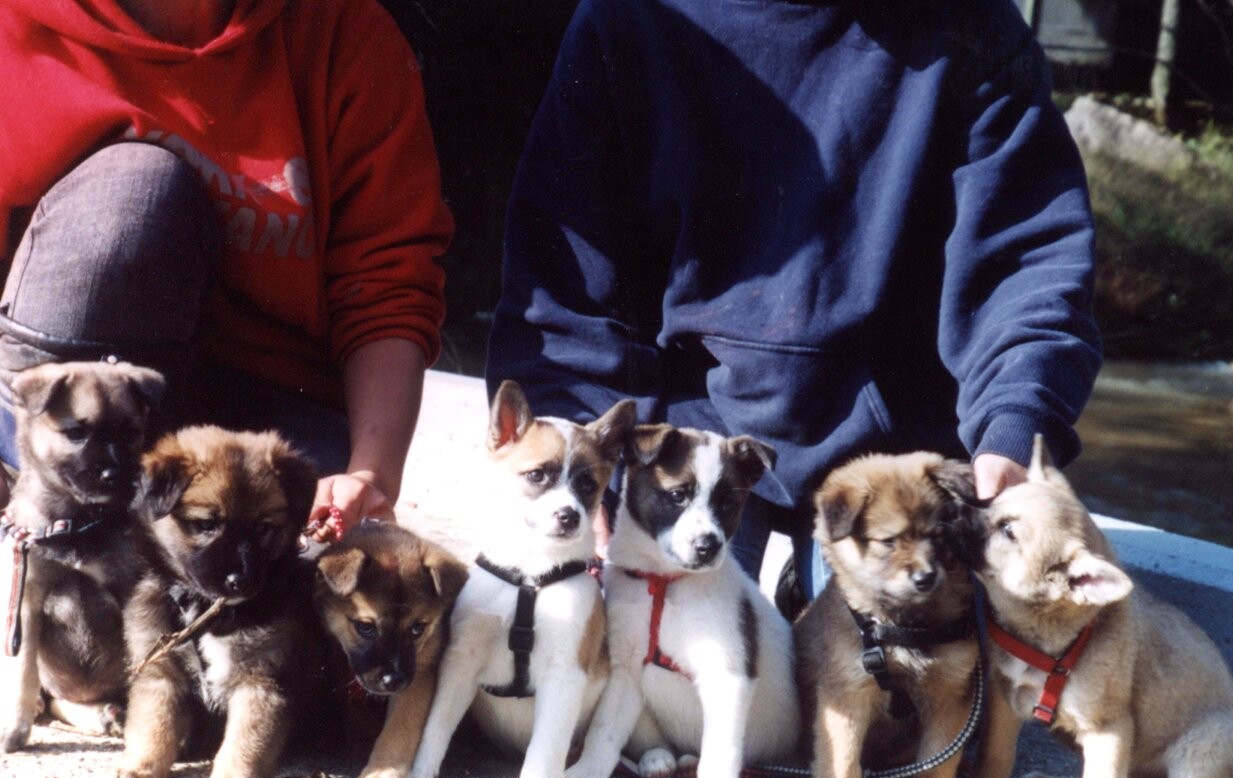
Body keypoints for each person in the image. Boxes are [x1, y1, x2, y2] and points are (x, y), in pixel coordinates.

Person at [486, 0, 1102, 594]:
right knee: (637, 677)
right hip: (689, 445)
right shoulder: (631, 15)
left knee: (902, 681)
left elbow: (1026, 257)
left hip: (901, 460)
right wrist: (586, 471)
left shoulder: (972, 22)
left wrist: (1015, 426)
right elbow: (562, 279)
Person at [0, 0, 452, 533]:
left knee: (309, 562)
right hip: (78, 411)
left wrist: (368, 477)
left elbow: (388, 284)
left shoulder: (345, 30)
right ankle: (45, 510)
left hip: (268, 406)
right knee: (136, 195)